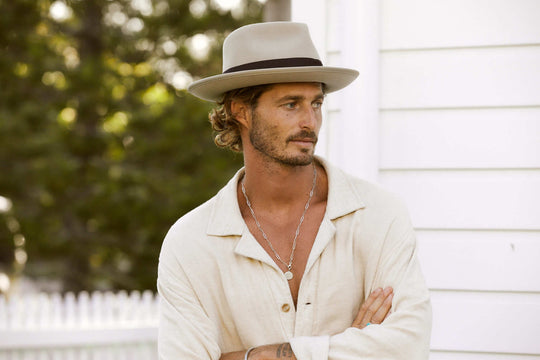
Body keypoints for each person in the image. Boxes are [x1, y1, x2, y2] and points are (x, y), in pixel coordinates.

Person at [157, 22, 431, 360]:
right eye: (291, 105)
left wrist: (257, 356)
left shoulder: (379, 215)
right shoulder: (190, 243)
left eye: (315, 104)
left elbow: (408, 346)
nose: (309, 122)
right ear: (240, 111)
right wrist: (348, 349)